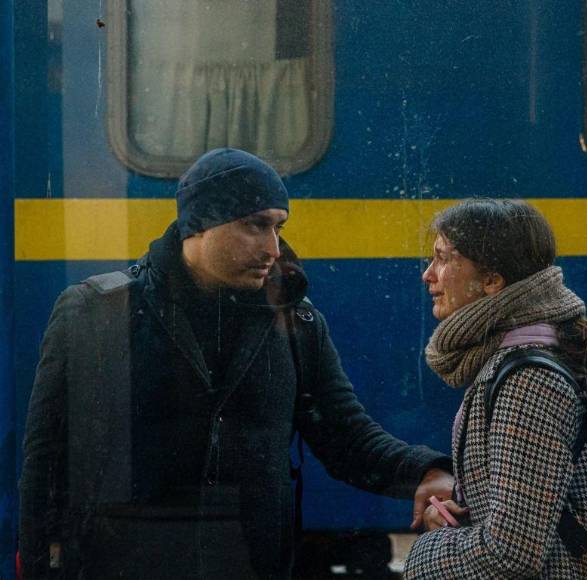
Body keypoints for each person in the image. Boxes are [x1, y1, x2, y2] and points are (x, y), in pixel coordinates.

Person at [18, 148, 453, 579]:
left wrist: (423, 470)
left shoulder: (296, 323)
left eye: (278, 227)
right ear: (201, 223)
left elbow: (344, 434)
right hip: (122, 561)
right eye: (255, 225)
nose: (272, 247)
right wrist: (38, 564)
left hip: (248, 562)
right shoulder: (97, 313)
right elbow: (45, 461)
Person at [404, 199, 587, 579]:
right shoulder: (508, 362)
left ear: (492, 280)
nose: (428, 275)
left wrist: (422, 555)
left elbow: (511, 552)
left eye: (443, 259)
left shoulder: (529, 381)